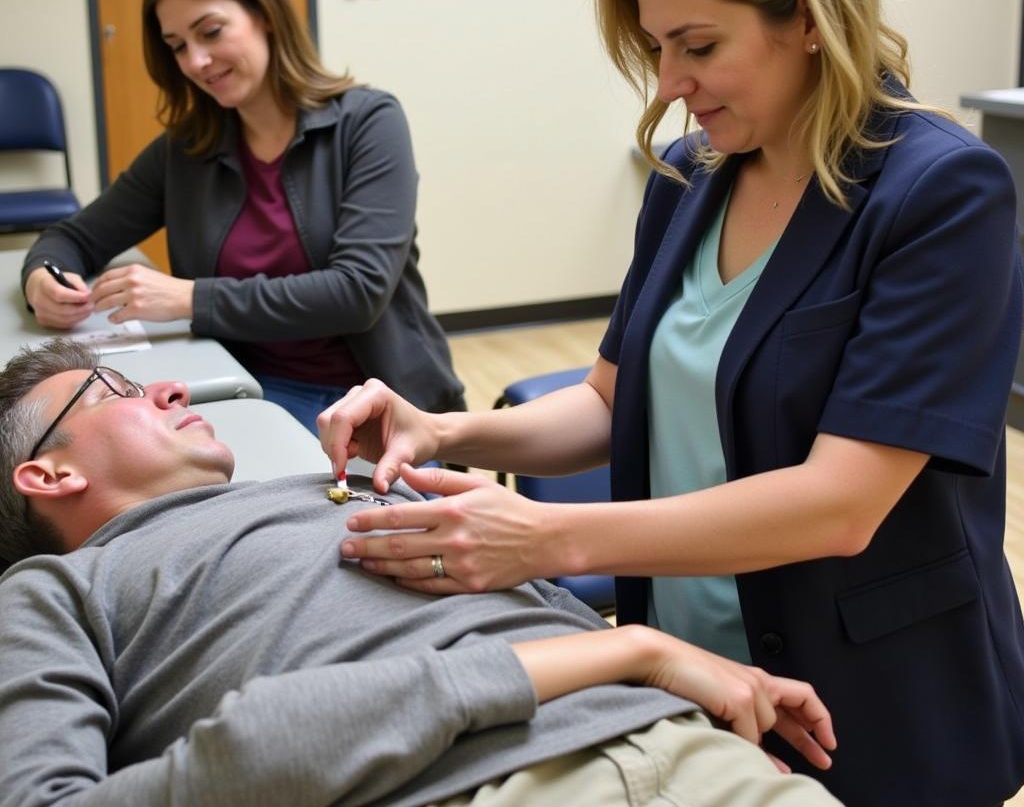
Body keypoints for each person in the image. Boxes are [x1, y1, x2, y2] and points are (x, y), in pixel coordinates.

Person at [315, 0, 1024, 806]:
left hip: (876, 691)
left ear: (809, 16)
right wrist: (448, 430)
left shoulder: (941, 195)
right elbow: (612, 402)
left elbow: (842, 504)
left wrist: (552, 540)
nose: (667, 83)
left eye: (698, 46)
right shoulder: (693, 179)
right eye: (656, 49)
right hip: (698, 667)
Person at [0, 338, 840, 807]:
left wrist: (660, 695)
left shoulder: (350, 484)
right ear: (47, 475)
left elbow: (539, 612)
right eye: (116, 389)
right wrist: (632, 654)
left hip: (678, 746)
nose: (171, 390)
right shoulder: (58, 593)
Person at [20, 0, 464, 433]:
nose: (195, 62)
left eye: (210, 33)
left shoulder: (368, 122)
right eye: (177, 46)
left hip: (374, 404)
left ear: (266, 14)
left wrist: (190, 299)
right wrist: (43, 278)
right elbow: (72, 237)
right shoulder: (186, 150)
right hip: (237, 385)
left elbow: (357, 292)